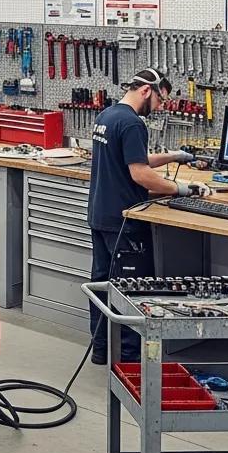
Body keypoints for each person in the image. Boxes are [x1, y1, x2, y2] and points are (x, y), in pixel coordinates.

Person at [86, 68, 211, 365]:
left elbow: (135, 157)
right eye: (159, 100)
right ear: (146, 91)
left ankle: (101, 351)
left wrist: (174, 156)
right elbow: (140, 173)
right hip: (125, 221)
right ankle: (130, 361)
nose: (159, 108)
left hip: (101, 214)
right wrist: (183, 188)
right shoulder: (132, 123)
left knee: (103, 285)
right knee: (133, 289)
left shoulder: (108, 116)